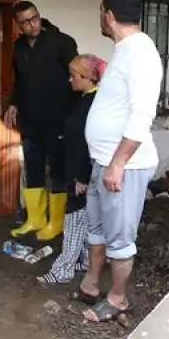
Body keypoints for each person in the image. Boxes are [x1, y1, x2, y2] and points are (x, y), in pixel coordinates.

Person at [79, 0, 162, 322]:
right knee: (97, 230)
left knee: (120, 238)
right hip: (104, 161)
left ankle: (117, 300)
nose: (100, 16)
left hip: (124, 167)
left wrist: (118, 164)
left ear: (109, 15)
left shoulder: (141, 53)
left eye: (101, 10)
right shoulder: (124, 50)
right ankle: (92, 285)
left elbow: (143, 115)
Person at [4, 1, 79, 241]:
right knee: (33, 167)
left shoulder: (62, 42)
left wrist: (74, 115)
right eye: (25, 22)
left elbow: (77, 78)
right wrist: (14, 104)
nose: (32, 24)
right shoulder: (19, 46)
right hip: (30, 120)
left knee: (57, 170)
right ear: (18, 25)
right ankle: (35, 219)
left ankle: (56, 222)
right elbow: (20, 81)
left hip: (58, 119)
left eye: (34, 18)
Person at [37, 54, 106, 286]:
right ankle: (84, 261)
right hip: (76, 172)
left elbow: (88, 144)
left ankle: (63, 270)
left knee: (74, 221)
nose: (70, 80)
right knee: (85, 219)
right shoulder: (84, 100)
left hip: (81, 175)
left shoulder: (94, 104)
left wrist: (82, 177)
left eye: (73, 75)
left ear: (87, 77)